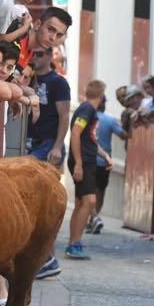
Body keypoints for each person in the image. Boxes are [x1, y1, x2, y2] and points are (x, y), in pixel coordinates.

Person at [66, 80, 106, 261]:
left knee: (81, 204)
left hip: (87, 160)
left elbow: (88, 138)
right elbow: (75, 133)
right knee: (89, 202)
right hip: (84, 162)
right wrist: (79, 163)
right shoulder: (87, 109)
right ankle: (75, 244)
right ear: (102, 95)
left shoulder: (87, 110)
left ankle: (73, 242)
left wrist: (104, 155)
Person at [87, 97, 125, 235]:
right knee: (100, 191)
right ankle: (94, 217)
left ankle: (93, 218)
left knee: (87, 192)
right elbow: (123, 135)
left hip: (89, 160)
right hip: (104, 162)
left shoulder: (87, 118)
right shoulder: (110, 120)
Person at [16, 6, 71, 71]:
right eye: (50, 29)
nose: (53, 38)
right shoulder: (17, 38)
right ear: (37, 24)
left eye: (59, 35)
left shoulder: (31, 54)